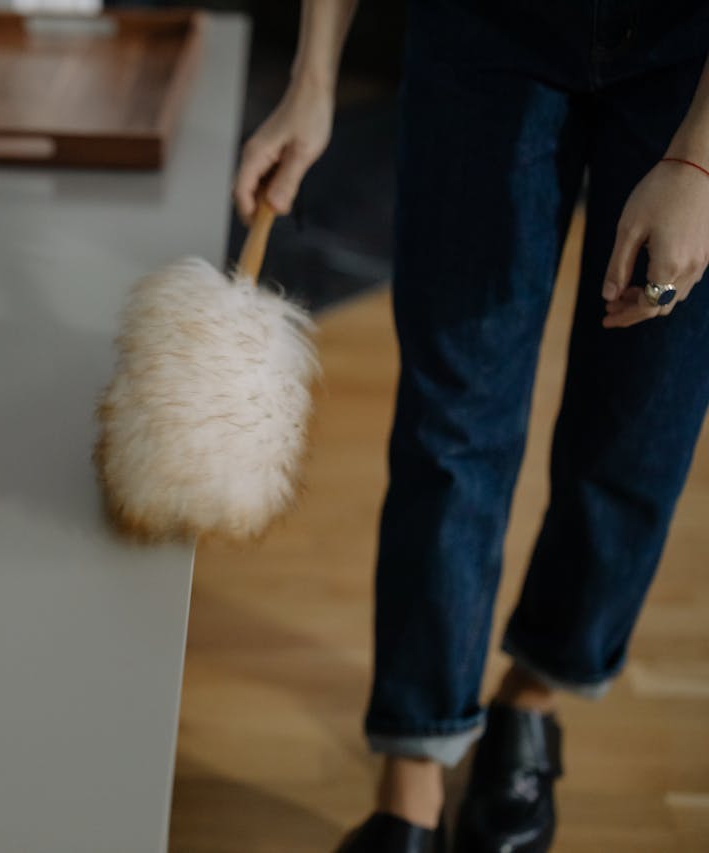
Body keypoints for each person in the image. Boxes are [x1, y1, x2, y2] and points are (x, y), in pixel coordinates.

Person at [234, 2, 709, 851]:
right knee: (454, 419)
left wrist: (700, 161)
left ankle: (530, 700)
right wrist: (311, 81)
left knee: (642, 427)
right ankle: (413, 770)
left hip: (691, 58)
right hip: (486, 29)